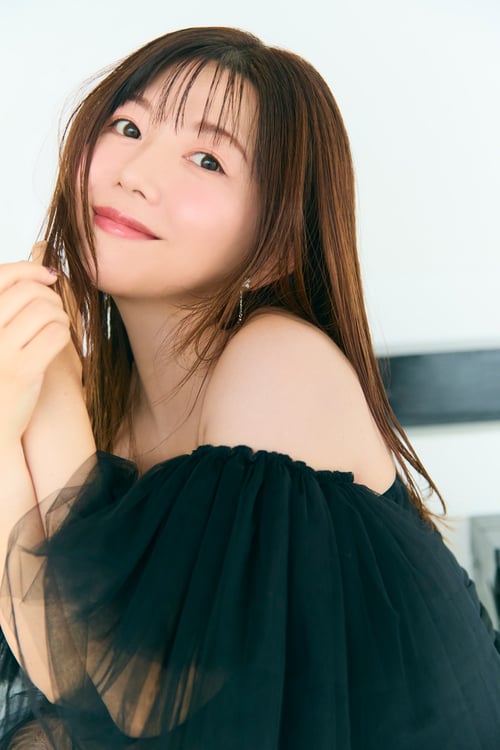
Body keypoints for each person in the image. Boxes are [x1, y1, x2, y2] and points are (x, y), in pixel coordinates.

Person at [0, 26, 499, 750]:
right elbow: (69, 670)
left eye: (207, 159)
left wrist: (30, 406)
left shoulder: (278, 362)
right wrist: (30, 397)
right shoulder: (109, 408)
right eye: (128, 126)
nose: (136, 173)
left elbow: (140, 701)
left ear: (276, 249)